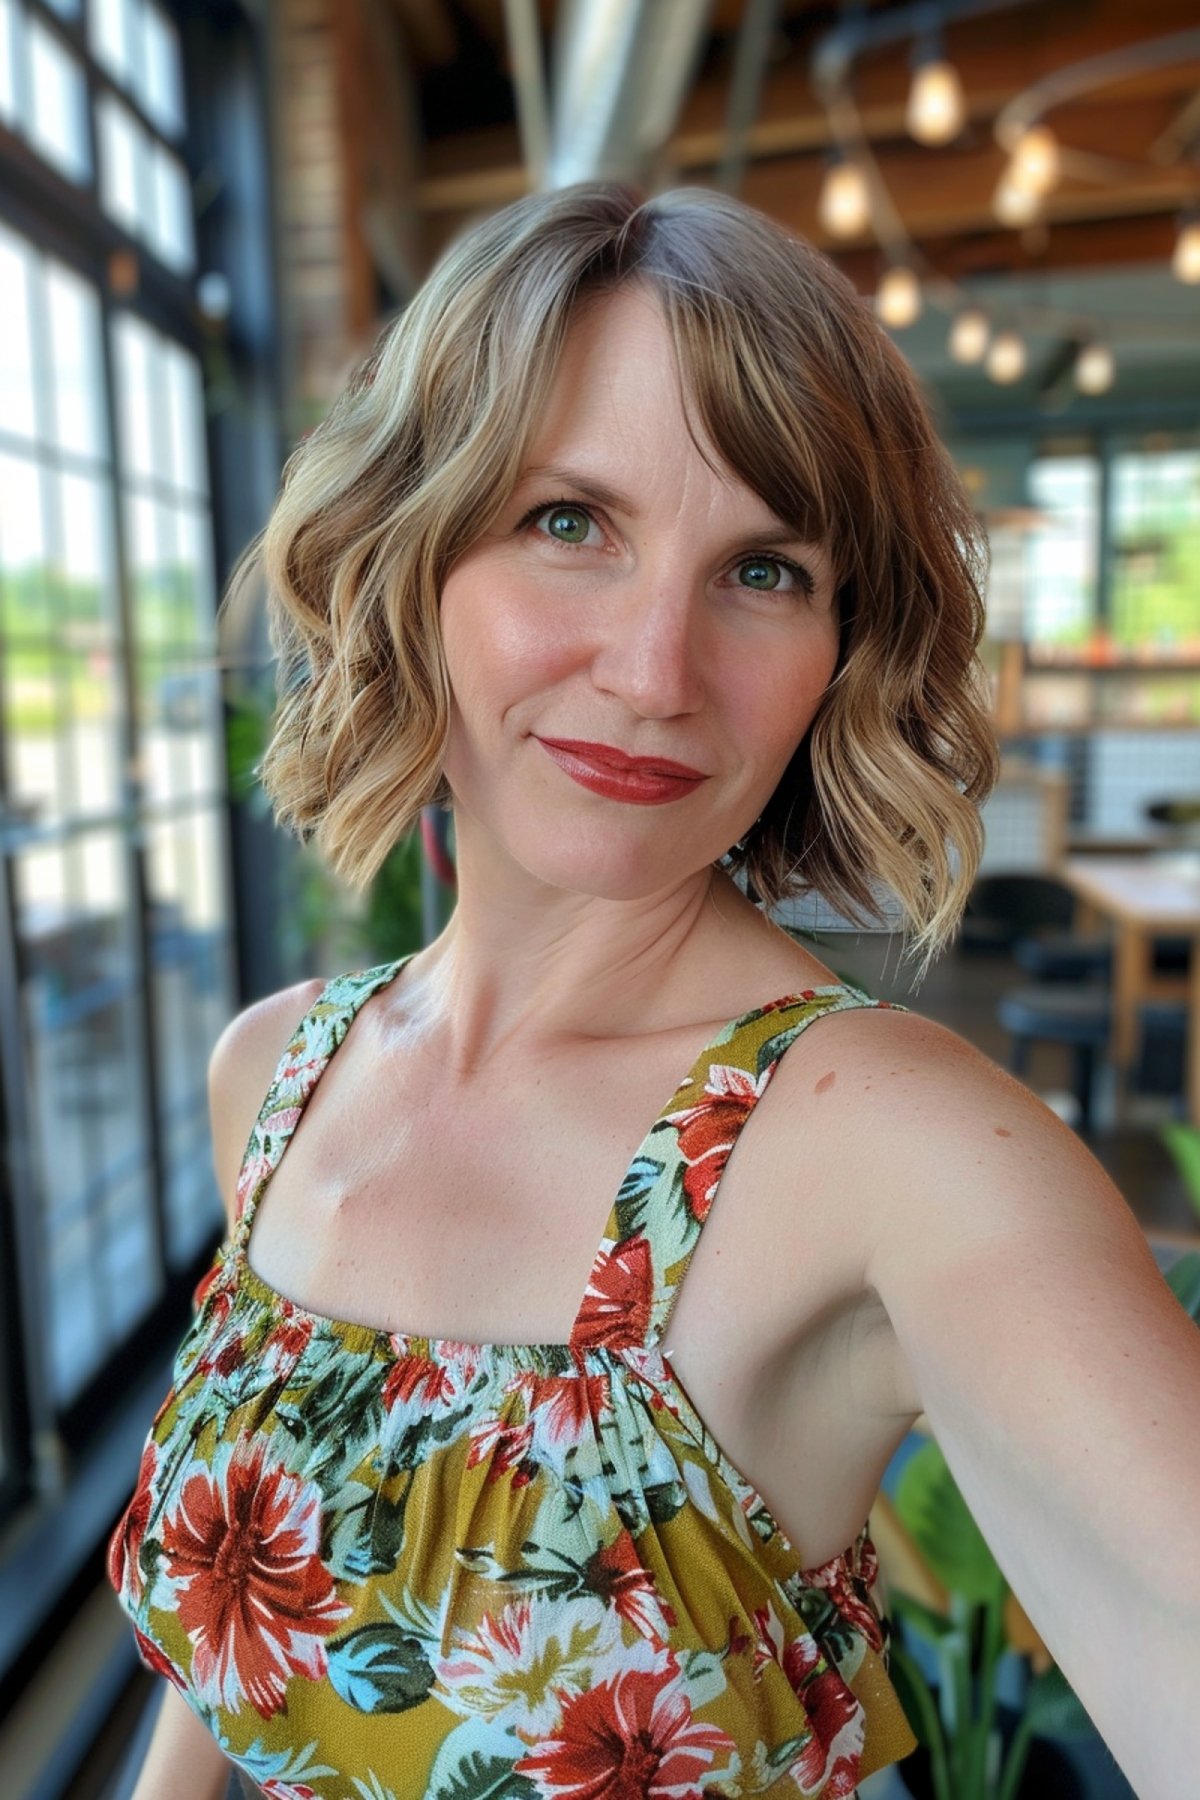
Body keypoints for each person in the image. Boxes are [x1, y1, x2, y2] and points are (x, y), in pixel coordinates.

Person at [108, 182, 1199, 1800]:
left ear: (844, 647)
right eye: (569, 522)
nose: (654, 671)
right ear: (414, 553)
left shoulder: (889, 1148)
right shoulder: (274, 1076)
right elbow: (236, 1636)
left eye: (763, 570)